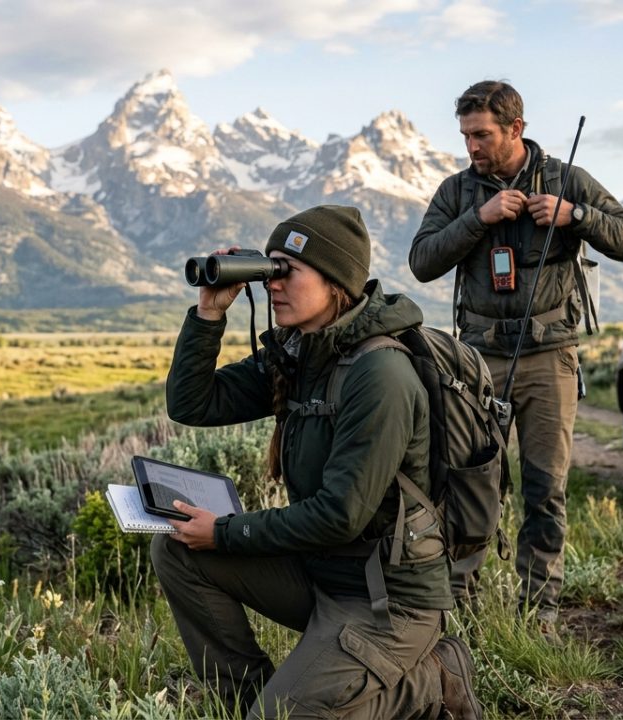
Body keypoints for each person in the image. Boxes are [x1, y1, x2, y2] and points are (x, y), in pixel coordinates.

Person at [153, 204, 482, 720]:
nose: (273, 284)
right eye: (268, 270)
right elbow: (193, 403)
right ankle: (250, 703)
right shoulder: (299, 353)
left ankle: (432, 683)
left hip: (388, 600)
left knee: (288, 713)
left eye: (287, 271)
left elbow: (339, 514)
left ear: (336, 282)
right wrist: (210, 313)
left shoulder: (381, 375)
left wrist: (224, 531)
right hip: (322, 574)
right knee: (176, 550)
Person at [408, 80, 623, 629]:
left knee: (545, 489)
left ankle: (539, 613)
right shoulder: (457, 192)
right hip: (476, 362)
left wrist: (576, 216)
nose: (471, 146)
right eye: (466, 135)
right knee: (468, 482)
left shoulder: (567, 180)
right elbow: (422, 260)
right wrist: (479, 219)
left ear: (516, 128)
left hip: (550, 357)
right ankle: (458, 611)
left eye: (482, 134)